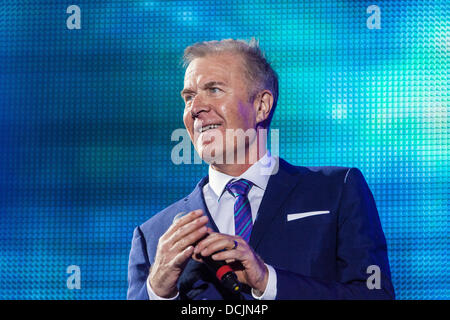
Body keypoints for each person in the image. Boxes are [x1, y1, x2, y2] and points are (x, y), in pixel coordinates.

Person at [127, 38, 395, 300]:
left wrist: (268, 282)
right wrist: (157, 293)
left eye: (214, 90)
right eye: (188, 97)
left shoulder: (337, 190)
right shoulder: (154, 235)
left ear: (261, 106)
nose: (195, 108)